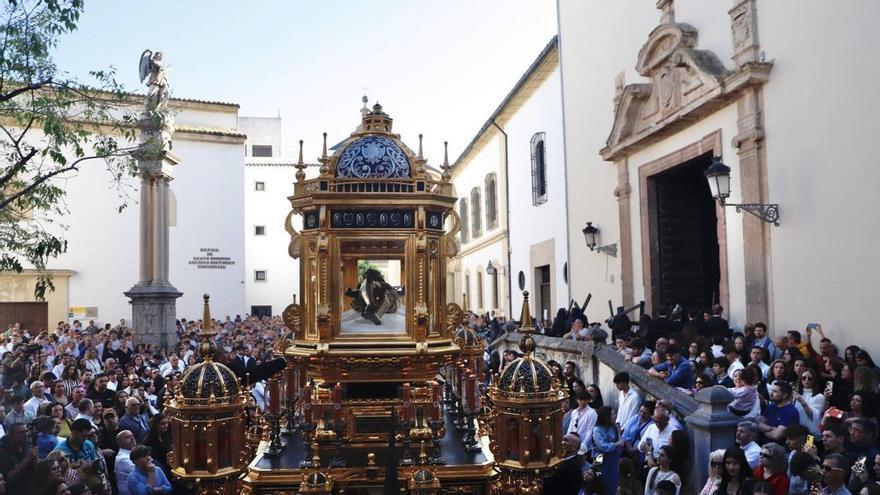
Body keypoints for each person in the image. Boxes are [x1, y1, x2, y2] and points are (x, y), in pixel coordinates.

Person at [592, 406, 622, 495]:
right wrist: (616, 444)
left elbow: (621, 442)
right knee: (600, 479)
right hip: (599, 456)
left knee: (613, 479)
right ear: (606, 416)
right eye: (612, 414)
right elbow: (603, 446)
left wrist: (619, 433)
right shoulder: (597, 429)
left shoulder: (614, 427)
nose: (615, 416)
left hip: (613, 456)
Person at [0, 423, 36, 493]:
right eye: (21, 432)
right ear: (11, 435)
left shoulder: (26, 445)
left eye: (26, 431)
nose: (25, 434)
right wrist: (27, 460)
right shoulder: (3, 452)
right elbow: (8, 478)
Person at [115, 430, 136, 495]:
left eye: (132, 436)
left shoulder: (132, 453)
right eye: (128, 437)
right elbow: (143, 472)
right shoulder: (122, 459)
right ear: (120, 442)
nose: (132, 438)